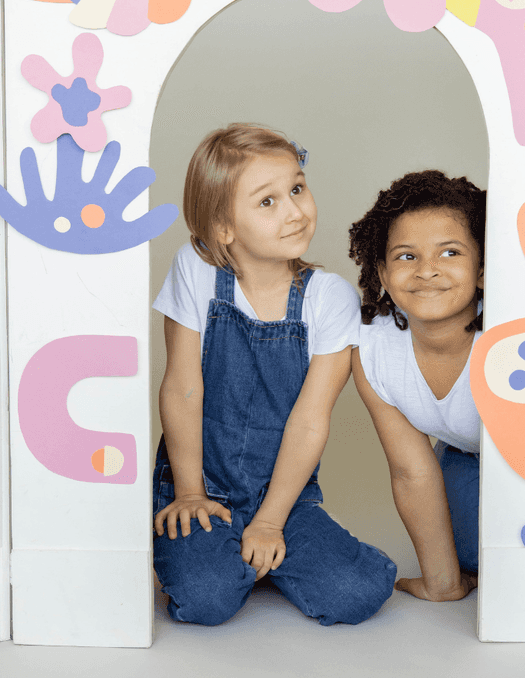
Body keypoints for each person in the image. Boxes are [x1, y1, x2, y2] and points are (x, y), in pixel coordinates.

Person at [152, 123, 396, 626]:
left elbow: (310, 420)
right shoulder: (195, 271)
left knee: (357, 593)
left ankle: (259, 547)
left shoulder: (330, 298)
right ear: (223, 228)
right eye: (267, 202)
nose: (294, 210)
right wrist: (189, 492)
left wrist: (269, 520)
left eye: (298, 188)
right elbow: (182, 387)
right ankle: (223, 553)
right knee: (205, 598)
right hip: (201, 483)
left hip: (286, 494)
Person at [348, 170, 485, 603]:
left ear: (482, 270)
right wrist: (442, 584)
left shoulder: (510, 337)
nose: (428, 270)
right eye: (407, 256)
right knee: (469, 553)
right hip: (466, 453)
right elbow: (412, 470)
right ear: (383, 276)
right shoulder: (374, 350)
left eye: (450, 252)